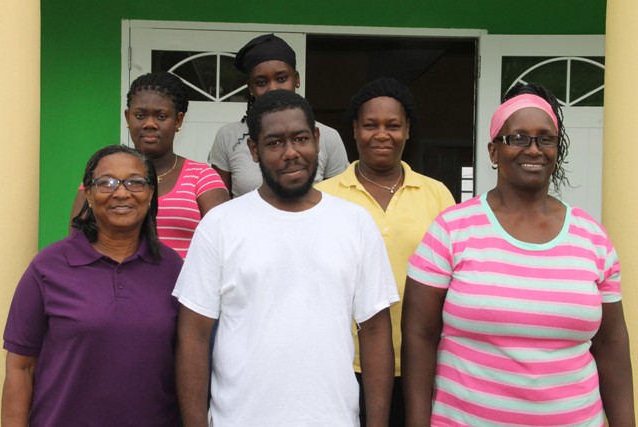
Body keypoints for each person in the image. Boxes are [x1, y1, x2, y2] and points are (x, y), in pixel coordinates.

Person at [402, 83, 635, 426]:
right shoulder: (452, 229)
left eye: (545, 138)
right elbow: (419, 336)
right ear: (494, 151)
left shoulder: (592, 239)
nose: (534, 149)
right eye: (518, 138)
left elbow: (612, 344)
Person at [174, 90, 399, 426]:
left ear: (317, 140)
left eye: (300, 139)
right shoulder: (220, 225)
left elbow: (376, 331)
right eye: (275, 142)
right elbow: (193, 336)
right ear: (254, 150)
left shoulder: (355, 223)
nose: (291, 153)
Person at [2, 145, 183, 426]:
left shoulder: (173, 268)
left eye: (135, 182)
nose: (121, 192)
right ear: (87, 193)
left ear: (150, 194)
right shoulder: (47, 267)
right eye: (106, 182)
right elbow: (20, 368)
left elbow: (190, 361)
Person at [316, 77, 455, 426]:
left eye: (393, 125)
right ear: (354, 130)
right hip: (343, 363)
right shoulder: (323, 196)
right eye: (370, 125)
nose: (382, 134)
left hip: (422, 363)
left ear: (407, 130)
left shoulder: (437, 195)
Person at [70, 72, 229, 258]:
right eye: (140, 115)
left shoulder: (201, 177)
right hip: (114, 284)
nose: (149, 124)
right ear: (127, 117)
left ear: (178, 120)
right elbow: (76, 243)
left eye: (161, 116)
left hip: (184, 285)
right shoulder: (102, 175)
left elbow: (224, 243)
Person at [208, 33, 349, 198]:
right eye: (261, 82)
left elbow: (338, 201)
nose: (273, 89)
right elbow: (219, 203)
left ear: (296, 79)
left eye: (282, 78)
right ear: (250, 88)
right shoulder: (228, 136)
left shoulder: (328, 137)